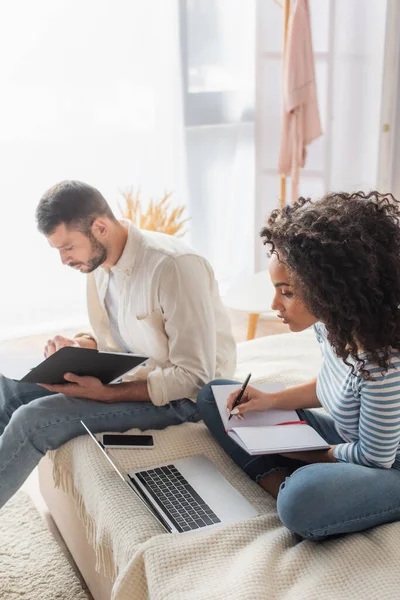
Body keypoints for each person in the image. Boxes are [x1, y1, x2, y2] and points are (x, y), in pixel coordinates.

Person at [0, 180, 236, 509]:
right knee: (8, 389)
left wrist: (106, 394)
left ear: (99, 227)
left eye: (67, 247)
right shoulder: (99, 265)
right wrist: (79, 345)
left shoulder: (174, 267)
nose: (64, 260)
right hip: (132, 372)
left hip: (185, 398)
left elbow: (196, 377)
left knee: (32, 420)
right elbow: (116, 338)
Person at [198, 191, 400, 541]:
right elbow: (333, 385)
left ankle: (291, 490)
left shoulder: (384, 366)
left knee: (301, 501)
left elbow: (374, 458)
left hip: (387, 467)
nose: (274, 303)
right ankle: (283, 482)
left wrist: (304, 453)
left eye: (286, 292)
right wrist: (270, 401)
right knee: (215, 396)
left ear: (329, 290)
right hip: (350, 441)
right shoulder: (333, 326)